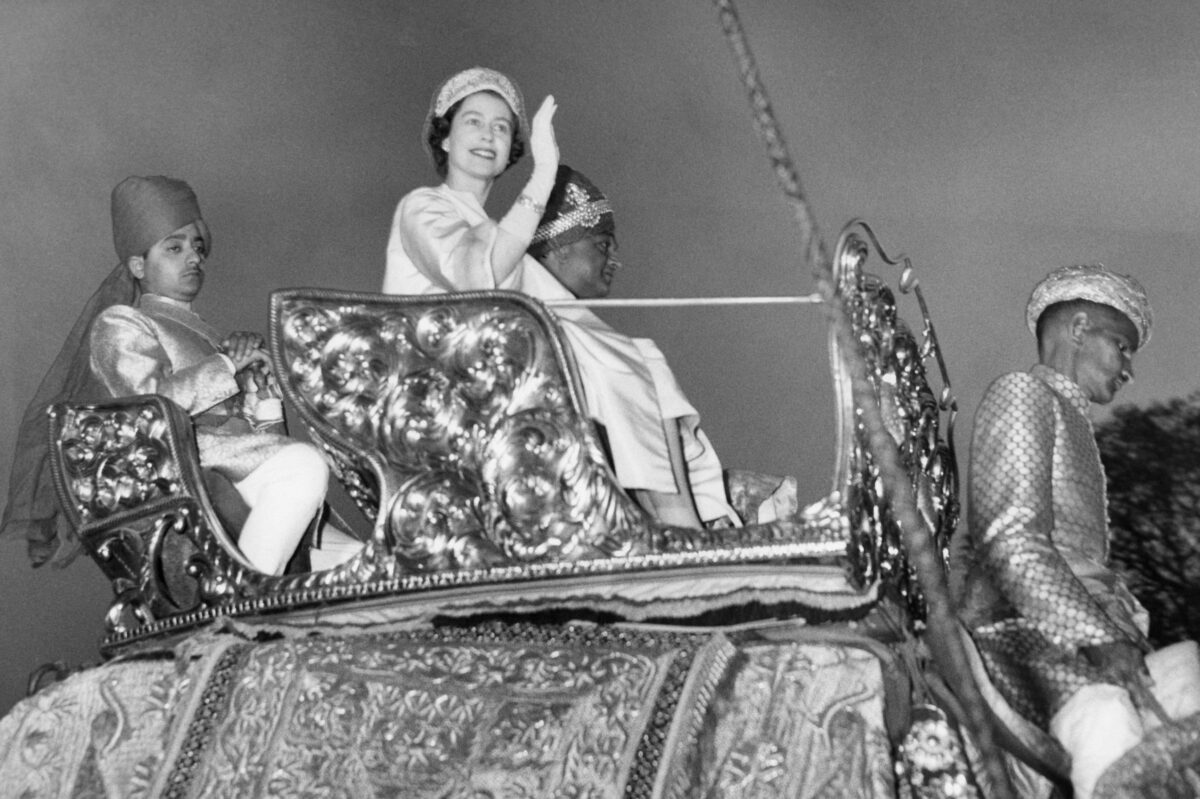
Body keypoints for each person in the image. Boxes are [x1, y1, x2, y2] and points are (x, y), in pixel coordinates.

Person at [383, 67, 737, 528]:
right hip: (442, 387)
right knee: (611, 357)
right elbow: (478, 271)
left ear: (509, 149)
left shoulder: (493, 230)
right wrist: (544, 174)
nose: (487, 134)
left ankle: (696, 519)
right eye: (473, 121)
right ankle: (675, 525)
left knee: (643, 358)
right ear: (445, 138)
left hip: (508, 374)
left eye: (502, 126)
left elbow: (569, 317)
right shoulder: (423, 206)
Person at [955, 264, 1200, 798]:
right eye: (1123, 345)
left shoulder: (1076, 425)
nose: (1128, 368)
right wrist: (1096, 637)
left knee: (1189, 671)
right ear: (1079, 326)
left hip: (1104, 631)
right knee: (1105, 718)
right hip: (1019, 629)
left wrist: (1113, 634)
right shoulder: (1022, 393)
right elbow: (1010, 539)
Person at [84, 175, 331, 576]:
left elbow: (266, 440)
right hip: (194, 470)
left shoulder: (213, 336)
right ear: (138, 265)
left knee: (365, 566)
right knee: (304, 465)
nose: (195, 257)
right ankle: (243, 607)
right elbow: (151, 411)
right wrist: (228, 366)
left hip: (244, 472)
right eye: (175, 248)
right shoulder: (122, 323)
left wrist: (261, 390)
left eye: (197, 247)